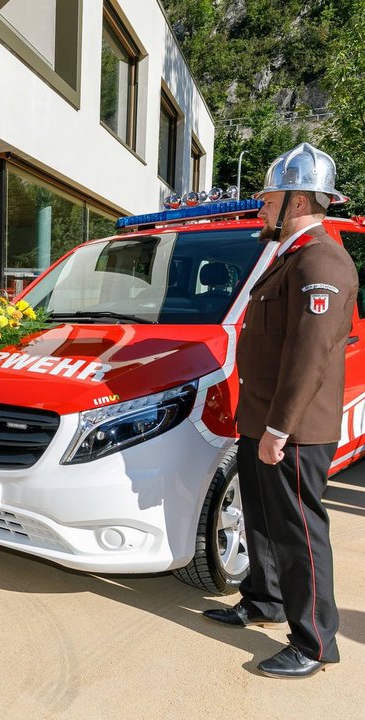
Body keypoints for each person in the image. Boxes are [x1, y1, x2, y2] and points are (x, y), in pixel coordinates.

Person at [202, 143, 357, 679]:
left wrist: (277, 429)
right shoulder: (288, 256)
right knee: (264, 521)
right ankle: (264, 599)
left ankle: (314, 642)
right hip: (264, 422)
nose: (262, 207)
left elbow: (307, 356)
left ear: (296, 201)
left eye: (269, 198)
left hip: (292, 428)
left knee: (300, 532)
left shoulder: (320, 259)